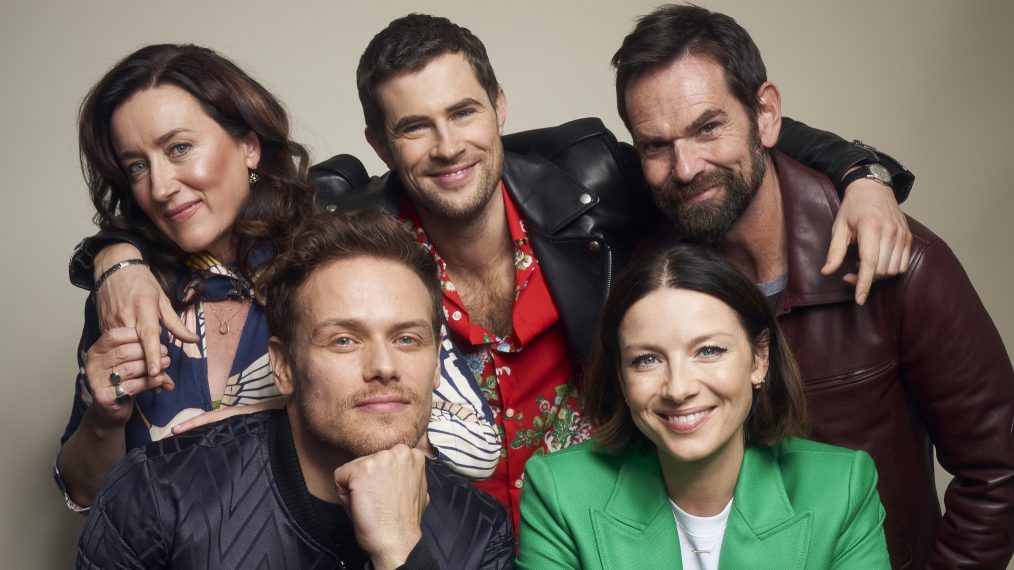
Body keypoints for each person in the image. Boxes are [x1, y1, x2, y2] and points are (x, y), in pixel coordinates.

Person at [69, 14, 914, 530]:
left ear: (499, 107)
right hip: (437, 543)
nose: (445, 147)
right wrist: (115, 253)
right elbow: (214, 224)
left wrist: (861, 172)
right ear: (379, 148)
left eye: (464, 112)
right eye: (413, 129)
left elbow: (703, 148)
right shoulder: (350, 234)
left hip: (608, 533)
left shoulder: (592, 181)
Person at [611, 5, 1014, 567]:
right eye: (656, 145)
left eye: (708, 127)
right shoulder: (649, 275)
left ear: (767, 114)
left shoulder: (901, 261)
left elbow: (998, 471)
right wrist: (861, 168)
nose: (685, 167)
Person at [56, 44, 498, 514]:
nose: (160, 186)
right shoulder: (129, 295)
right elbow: (84, 494)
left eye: (179, 148)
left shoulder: (332, 266)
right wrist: (104, 418)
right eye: (137, 166)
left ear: (249, 145)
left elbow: (477, 445)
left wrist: (278, 415)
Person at [76, 209, 514, 569]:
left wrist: (401, 553)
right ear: (283, 366)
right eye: (344, 340)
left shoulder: (479, 532)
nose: (384, 366)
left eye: (407, 339)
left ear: (437, 362)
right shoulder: (158, 495)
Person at [517, 245, 890, 569]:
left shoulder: (841, 487)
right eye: (646, 359)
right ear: (620, 376)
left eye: (708, 351)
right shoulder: (560, 492)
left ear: (759, 358)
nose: (678, 389)